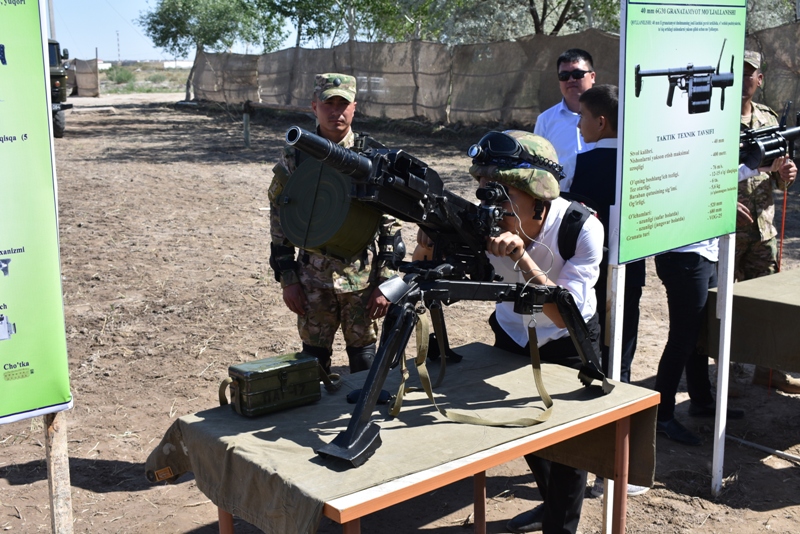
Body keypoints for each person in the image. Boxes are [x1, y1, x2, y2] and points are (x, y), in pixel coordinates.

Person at [466, 130, 604, 533]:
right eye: (485, 191)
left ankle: (560, 526)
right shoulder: (488, 221)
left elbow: (566, 316)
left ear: (539, 202)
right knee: (525, 427)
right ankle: (551, 504)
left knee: (570, 448)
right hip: (514, 333)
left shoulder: (580, 227)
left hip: (568, 341)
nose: (492, 208)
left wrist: (523, 258)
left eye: (504, 197)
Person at [267, 73, 402, 373]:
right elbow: (280, 217)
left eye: (343, 104)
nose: (335, 112)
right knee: (313, 361)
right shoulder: (296, 156)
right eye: (328, 103)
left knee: (364, 362)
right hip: (311, 279)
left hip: (361, 281)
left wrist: (387, 284)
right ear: (314, 106)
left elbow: (390, 227)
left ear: (355, 107)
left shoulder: (370, 158)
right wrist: (288, 280)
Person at [570, 85, 648, 497]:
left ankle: (599, 466)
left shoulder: (585, 165)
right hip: (630, 277)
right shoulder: (642, 163)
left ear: (601, 122)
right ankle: (620, 468)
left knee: (594, 365)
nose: (579, 125)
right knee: (624, 361)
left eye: (582, 117)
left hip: (594, 282)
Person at [737, 50, 800, 394]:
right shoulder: (713, 119)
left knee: (767, 304)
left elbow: (780, 176)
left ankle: (769, 371)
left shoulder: (770, 119)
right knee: (726, 303)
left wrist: (788, 174)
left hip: (763, 229)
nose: (744, 79)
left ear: (759, 80)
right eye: (739, 72)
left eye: (750, 74)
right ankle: (727, 374)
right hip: (726, 231)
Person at [534, 48, 597, 192]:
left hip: (603, 198)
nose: (571, 80)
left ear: (592, 76)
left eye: (577, 74)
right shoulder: (545, 120)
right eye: (564, 76)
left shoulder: (612, 116)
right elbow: (538, 166)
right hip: (562, 201)